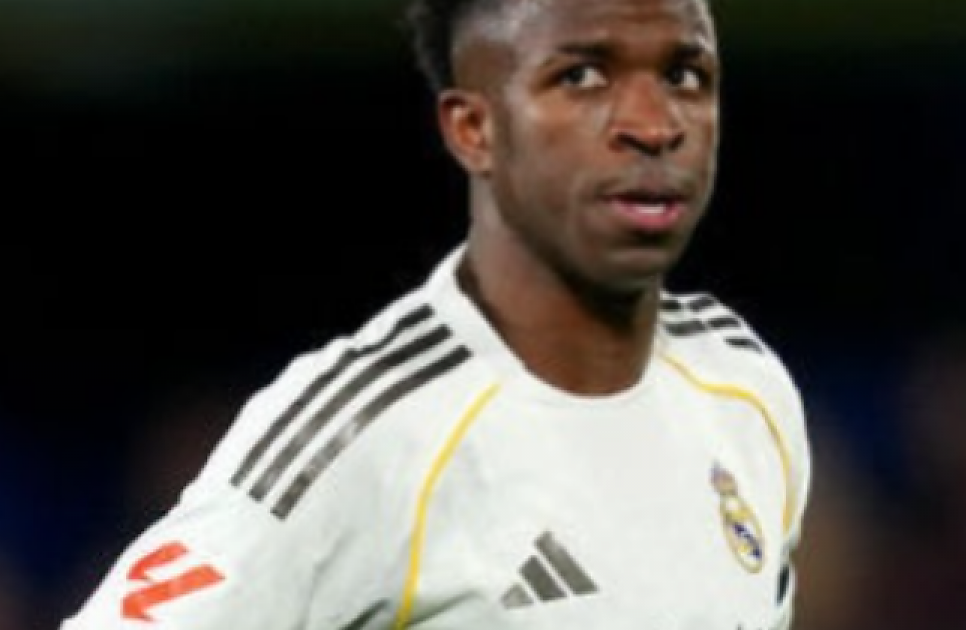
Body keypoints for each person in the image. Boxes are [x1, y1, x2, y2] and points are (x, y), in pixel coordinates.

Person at [60, 0, 813, 627]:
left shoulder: (745, 386)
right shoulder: (366, 433)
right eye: (582, 77)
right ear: (472, 130)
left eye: (685, 75)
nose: (653, 124)